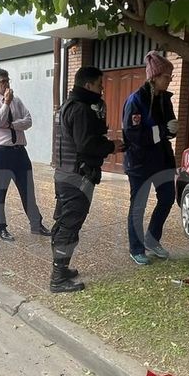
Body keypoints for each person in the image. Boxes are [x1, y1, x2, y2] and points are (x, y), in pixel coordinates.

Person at [50, 66, 118, 294]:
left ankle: (63, 269)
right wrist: (112, 146)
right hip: (76, 178)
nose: (102, 89)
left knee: (64, 224)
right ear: (88, 85)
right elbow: (86, 144)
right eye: (99, 84)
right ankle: (58, 278)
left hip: (65, 175)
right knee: (69, 226)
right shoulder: (81, 109)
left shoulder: (68, 106)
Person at [121, 50, 178, 265]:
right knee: (138, 206)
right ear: (154, 76)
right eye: (166, 77)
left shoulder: (166, 100)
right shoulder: (135, 100)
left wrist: (172, 130)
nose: (170, 80)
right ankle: (136, 249)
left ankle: (152, 239)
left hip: (162, 160)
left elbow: (168, 129)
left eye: (171, 77)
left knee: (167, 198)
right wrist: (164, 130)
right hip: (140, 162)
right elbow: (134, 135)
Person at [0, 67, 50, 241]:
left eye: (7, 81)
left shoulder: (17, 101)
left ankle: (36, 224)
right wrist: (6, 103)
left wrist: (11, 125)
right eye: (2, 81)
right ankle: (1, 228)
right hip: (0, 153)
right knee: (0, 192)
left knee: (28, 191)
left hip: (19, 152)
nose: (6, 84)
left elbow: (28, 120)